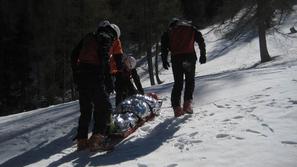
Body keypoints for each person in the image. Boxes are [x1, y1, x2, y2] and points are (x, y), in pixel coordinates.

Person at [71, 20, 117, 151]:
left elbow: (74, 54)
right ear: (113, 34)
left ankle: (82, 140)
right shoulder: (105, 37)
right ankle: (98, 139)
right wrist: (108, 81)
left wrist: (76, 73)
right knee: (105, 107)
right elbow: (104, 59)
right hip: (94, 76)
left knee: (86, 109)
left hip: (81, 76)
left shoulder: (89, 37)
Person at [160, 18, 206, 117]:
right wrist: (203, 54)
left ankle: (176, 107)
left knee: (178, 82)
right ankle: (187, 104)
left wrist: (164, 59)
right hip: (188, 58)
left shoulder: (169, 31)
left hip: (176, 59)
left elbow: (163, 46)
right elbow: (200, 40)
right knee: (189, 80)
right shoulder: (190, 28)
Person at [108, 24, 144, 106]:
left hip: (124, 81)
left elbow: (136, 80)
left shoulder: (131, 69)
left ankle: (136, 105)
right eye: (127, 64)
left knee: (132, 92)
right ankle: (120, 108)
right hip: (117, 79)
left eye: (129, 67)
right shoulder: (119, 62)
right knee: (121, 93)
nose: (128, 67)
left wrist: (141, 92)